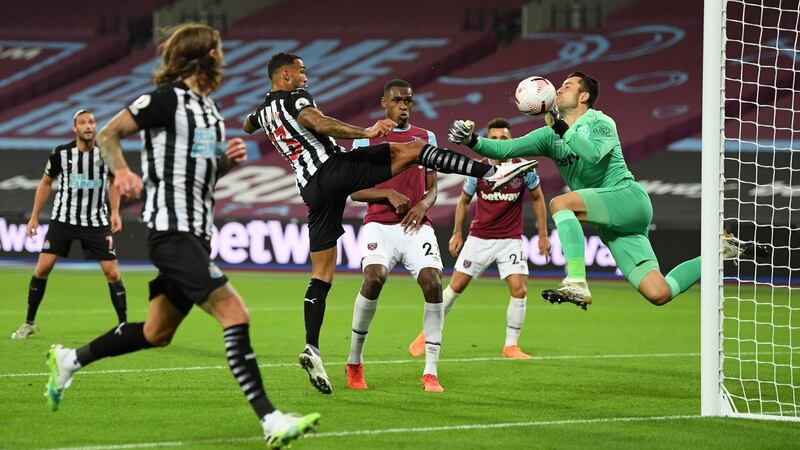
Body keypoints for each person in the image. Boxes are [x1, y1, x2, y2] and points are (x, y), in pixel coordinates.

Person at [43, 24, 319, 448]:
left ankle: (69, 359)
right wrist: (121, 170)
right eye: (218, 51)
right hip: (171, 232)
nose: (223, 58)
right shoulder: (165, 98)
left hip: (197, 232)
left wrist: (224, 164)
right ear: (205, 55)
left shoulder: (210, 111)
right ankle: (271, 419)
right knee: (236, 314)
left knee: (157, 333)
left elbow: (202, 178)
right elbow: (107, 134)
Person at [243, 52, 537, 395]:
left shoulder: (264, 110)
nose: (306, 76)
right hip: (331, 168)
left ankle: (312, 346)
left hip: (310, 189)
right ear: (284, 77)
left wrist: (256, 120)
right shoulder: (296, 98)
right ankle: (491, 171)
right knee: (412, 150)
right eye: (300, 71)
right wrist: (365, 130)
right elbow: (319, 123)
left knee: (321, 273)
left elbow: (248, 125)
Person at [447, 72, 707, 309]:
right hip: (612, 225)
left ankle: (576, 281)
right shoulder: (549, 136)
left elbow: (593, 154)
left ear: (584, 96)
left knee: (560, 203)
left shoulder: (601, 122)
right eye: (559, 86)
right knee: (658, 293)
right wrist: (471, 140)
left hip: (627, 198)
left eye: (567, 86)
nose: (558, 90)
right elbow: (505, 150)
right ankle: (717, 254)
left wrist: (561, 128)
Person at [409, 118, 550, 359]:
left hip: (510, 239)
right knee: (455, 287)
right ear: (487, 140)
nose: (498, 142)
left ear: (511, 140)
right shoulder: (479, 169)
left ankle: (510, 346)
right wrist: (457, 233)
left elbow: (538, 199)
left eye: (504, 138)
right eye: (493, 138)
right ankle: (426, 333)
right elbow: (463, 201)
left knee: (519, 289)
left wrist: (543, 235)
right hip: (479, 238)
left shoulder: (523, 167)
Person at [345, 79, 446, 393]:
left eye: (409, 101)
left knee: (432, 282)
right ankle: (355, 361)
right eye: (398, 100)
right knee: (374, 278)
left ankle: (430, 372)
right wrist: (387, 192)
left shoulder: (425, 137)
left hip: (417, 226)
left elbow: (433, 189)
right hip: (380, 225)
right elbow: (352, 191)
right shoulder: (365, 141)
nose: (404, 106)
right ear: (384, 103)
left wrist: (422, 205)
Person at [11, 110, 127, 340]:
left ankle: (124, 325)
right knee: (42, 269)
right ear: (74, 128)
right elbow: (45, 184)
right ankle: (29, 323)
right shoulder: (60, 154)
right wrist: (34, 216)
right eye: (82, 123)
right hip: (63, 219)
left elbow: (114, 182)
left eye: (91, 122)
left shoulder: (106, 153)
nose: (88, 126)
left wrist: (115, 212)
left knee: (112, 273)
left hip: (96, 221)